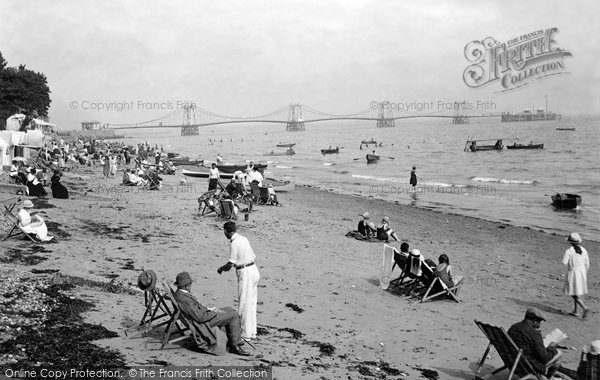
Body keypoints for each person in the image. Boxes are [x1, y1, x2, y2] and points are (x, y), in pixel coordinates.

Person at [172, 271, 250, 356]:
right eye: (190, 284)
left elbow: (196, 311)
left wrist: (210, 309)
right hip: (203, 323)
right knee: (234, 315)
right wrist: (214, 312)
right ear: (187, 285)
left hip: (202, 316)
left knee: (229, 309)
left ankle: (232, 339)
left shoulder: (180, 294)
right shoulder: (185, 299)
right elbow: (200, 317)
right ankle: (235, 346)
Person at [217, 222, 260, 340]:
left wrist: (221, 269)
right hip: (254, 270)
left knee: (244, 303)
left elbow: (231, 263)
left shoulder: (234, 243)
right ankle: (251, 332)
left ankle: (245, 333)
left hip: (245, 272)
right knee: (251, 303)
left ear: (226, 231)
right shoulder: (243, 238)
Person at [507, 308, 562, 378]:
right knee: (559, 353)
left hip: (512, 360)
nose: (539, 326)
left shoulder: (514, 327)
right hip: (527, 365)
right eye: (539, 322)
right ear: (534, 321)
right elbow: (544, 358)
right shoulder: (534, 333)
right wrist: (551, 347)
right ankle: (547, 377)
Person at [562, 232, 590, 319]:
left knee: (573, 293)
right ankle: (575, 311)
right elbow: (587, 264)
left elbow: (564, 262)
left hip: (573, 272)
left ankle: (584, 307)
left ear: (570, 242)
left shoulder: (569, 251)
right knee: (576, 291)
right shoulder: (584, 250)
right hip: (582, 272)